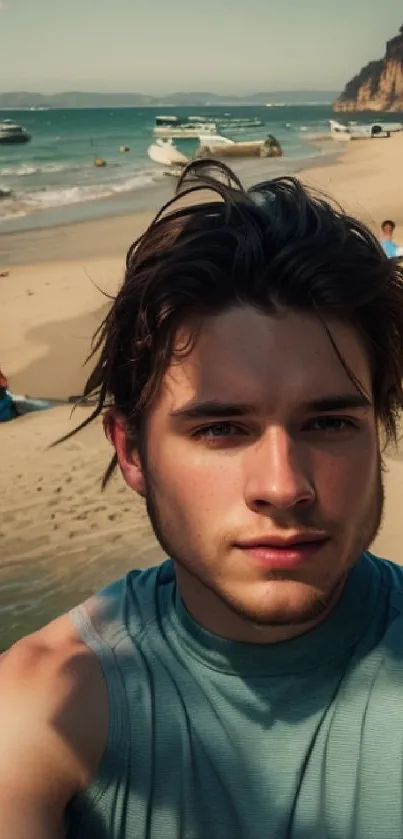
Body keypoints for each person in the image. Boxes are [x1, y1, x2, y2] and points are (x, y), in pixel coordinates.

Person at [2, 161, 403, 839]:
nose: (282, 486)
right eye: (221, 428)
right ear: (131, 451)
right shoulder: (40, 705)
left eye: (328, 422)